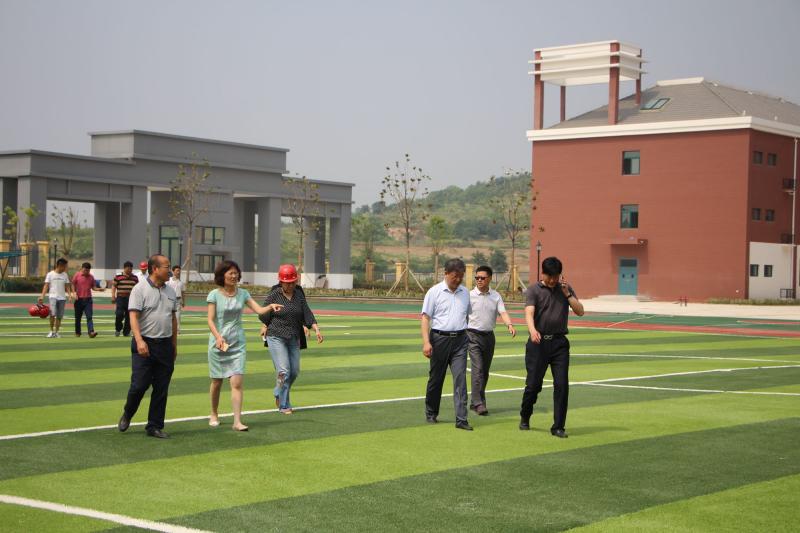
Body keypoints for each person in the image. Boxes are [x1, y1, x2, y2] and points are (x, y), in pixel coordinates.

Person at [207, 260, 283, 430]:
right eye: (231, 273)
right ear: (222, 275)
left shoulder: (243, 294)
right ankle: (213, 412)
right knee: (217, 381)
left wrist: (270, 306)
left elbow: (259, 310)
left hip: (237, 344)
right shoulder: (214, 295)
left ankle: (237, 421)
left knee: (237, 383)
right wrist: (218, 337)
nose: (234, 276)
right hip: (218, 344)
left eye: (236, 273)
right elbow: (210, 320)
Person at [519, 256, 584, 438]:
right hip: (538, 343)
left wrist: (567, 294)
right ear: (543, 274)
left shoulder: (565, 289)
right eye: (550, 276)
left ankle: (558, 427)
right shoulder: (534, 290)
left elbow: (580, 311)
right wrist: (532, 330)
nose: (553, 280)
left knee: (562, 385)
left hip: (559, 344)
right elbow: (529, 313)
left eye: (556, 276)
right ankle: (525, 415)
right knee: (533, 385)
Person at [117, 254, 178, 439]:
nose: (169, 270)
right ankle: (128, 412)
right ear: (155, 269)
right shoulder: (139, 288)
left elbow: (173, 319)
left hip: (165, 345)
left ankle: (154, 425)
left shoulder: (171, 291)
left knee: (161, 388)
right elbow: (133, 316)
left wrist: (174, 345)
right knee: (139, 385)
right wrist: (139, 340)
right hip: (144, 343)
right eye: (166, 267)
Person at [258, 264, 322, 415]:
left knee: (294, 372)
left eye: (293, 282)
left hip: (293, 337)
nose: (290, 285)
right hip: (276, 336)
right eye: (287, 283)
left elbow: (306, 312)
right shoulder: (275, 294)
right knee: (283, 371)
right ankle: (284, 404)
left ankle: (277, 391)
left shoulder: (299, 295)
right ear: (281, 282)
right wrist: (265, 323)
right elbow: (262, 313)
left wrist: (316, 328)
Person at [421, 258, 473, 430]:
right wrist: (426, 342)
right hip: (439, 339)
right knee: (436, 378)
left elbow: (466, 316)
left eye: (461, 276)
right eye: (454, 276)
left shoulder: (465, 293)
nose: (458, 280)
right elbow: (425, 318)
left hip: (460, 340)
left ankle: (461, 419)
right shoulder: (434, 292)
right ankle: (431, 412)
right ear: (446, 273)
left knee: (460, 379)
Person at [467, 265, 516, 416]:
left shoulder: (495, 296)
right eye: (477, 278)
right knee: (478, 369)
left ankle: (475, 401)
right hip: (472, 336)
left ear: (489, 279)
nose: (479, 280)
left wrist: (509, 325)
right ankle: (479, 403)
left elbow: (503, 312)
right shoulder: (468, 296)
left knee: (485, 372)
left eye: (482, 278)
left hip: (489, 337)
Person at [38, 257, 72, 338]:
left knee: (59, 316)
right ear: (59, 266)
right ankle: (51, 331)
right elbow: (46, 286)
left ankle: (56, 332)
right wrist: (42, 296)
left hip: (62, 298)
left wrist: (70, 295)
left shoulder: (65, 275)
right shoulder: (50, 274)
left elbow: (67, 286)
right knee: (52, 314)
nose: (65, 268)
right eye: (64, 266)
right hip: (53, 297)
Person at [71, 262, 101, 338]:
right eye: (85, 270)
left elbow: (93, 287)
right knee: (78, 317)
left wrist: (99, 289)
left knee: (89, 316)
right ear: (82, 268)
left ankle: (91, 332)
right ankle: (78, 332)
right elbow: (73, 284)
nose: (86, 272)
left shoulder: (91, 277)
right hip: (79, 299)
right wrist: (74, 293)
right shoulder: (77, 275)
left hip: (88, 300)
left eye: (88, 270)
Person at [111, 261, 138, 337]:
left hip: (131, 299)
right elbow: (114, 286)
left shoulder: (135, 278)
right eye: (128, 269)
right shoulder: (118, 277)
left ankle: (126, 332)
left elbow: (137, 288)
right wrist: (113, 296)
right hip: (120, 298)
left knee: (129, 316)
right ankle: (118, 329)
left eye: (131, 269)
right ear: (124, 268)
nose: (130, 270)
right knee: (119, 314)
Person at [166, 265, 185, 333]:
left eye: (179, 271)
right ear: (173, 271)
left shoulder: (181, 282)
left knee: (178, 316)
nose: (178, 272)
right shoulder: (168, 281)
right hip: (169, 300)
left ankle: (177, 330)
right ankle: (168, 329)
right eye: (177, 270)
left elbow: (183, 292)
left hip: (178, 300)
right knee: (168, 315)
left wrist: (183, 301)